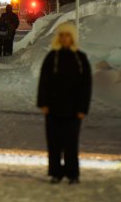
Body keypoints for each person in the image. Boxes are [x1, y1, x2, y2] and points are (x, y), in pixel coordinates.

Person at [37, 22, 92, 185]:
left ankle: (72, 174)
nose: (64, 38)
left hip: (73, 110)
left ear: (72, 37)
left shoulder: (80, 59)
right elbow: (44, 82)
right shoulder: (51, 57)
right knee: (54, 143)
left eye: (67, 35)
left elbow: (86, 85)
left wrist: (83, 108)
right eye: (61, 35)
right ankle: (56, 173)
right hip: (53, 108)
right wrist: (43, 103)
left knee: (70, 143)